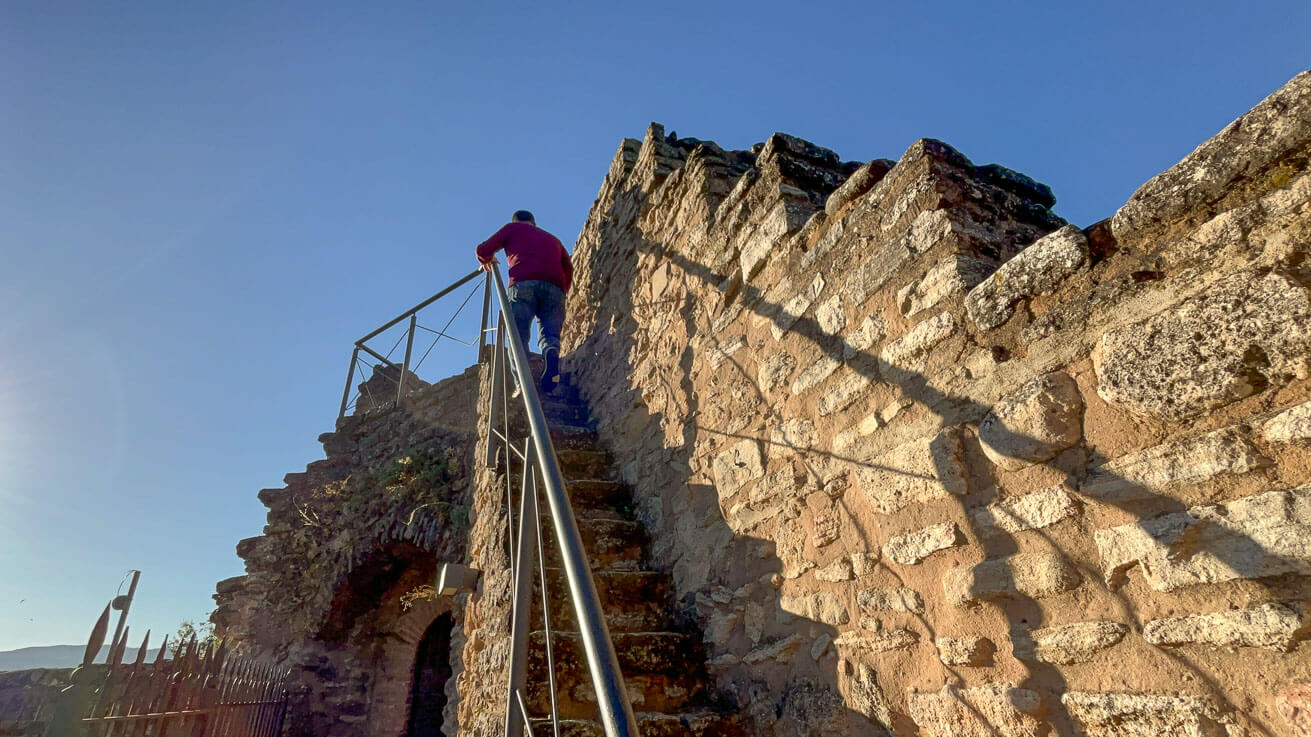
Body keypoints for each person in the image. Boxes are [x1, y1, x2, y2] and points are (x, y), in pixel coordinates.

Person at [475, 210, 573, 393]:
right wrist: (561, 291)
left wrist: (486, 259)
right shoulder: (553, 239)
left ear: (517, 221)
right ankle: (550, 351)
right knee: (550, 333)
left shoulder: (513, 229)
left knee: (517, 336)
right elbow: (568, 267)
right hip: (555, 287)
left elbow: (483, 249)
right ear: (534, 223)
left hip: (523, 283)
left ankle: (522, 383)